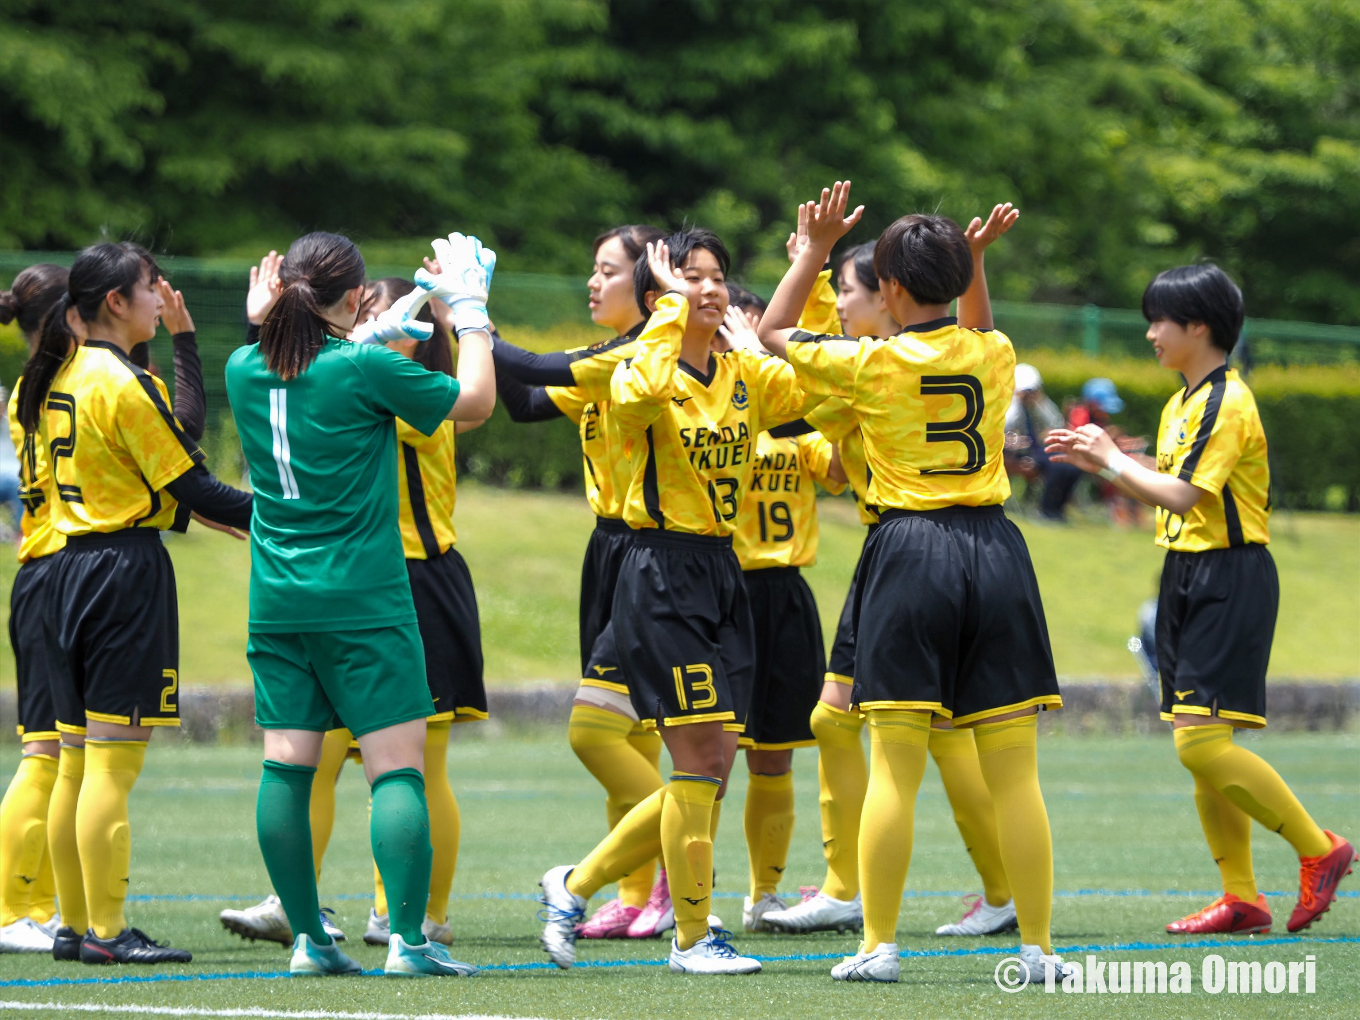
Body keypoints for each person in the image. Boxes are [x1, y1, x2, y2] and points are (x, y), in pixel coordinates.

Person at [758, 183, 1069, 984]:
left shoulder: (867, 363)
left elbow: (768, 335)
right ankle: (1037, 949)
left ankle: (879, 948)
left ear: (888, 290)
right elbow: (978, 323)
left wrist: (816, 252)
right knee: (1018, 774)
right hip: (998, 552)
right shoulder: (993, 354)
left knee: (894, 765)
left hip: (908, 550)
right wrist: (974, 264)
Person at [536, 230, 819, 976]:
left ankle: (576, 885)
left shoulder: (742, 374)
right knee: (693, 757)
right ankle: (691, 938)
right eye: (689, 278)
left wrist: (805, 260)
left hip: (723, 573)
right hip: (660, 570)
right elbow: (630, 403)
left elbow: (799, 391)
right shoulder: (644, 367)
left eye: (718, 277)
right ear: (662, 296)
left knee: (713, 764)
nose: (710, 289)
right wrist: (666, 311)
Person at [1045, 263, 1356, 936]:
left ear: (1200, 327)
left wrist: (1110, 459)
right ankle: (1242, 898)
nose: (1150, 333)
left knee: (1199, 746)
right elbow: (1169, 478)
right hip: (1185, 573)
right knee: (1200, 740)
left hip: (1229, 576)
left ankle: (1319, 847)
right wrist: (1105, 461)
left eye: (1160, 320)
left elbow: (1187, 496)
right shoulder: (1183, 399)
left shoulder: (1227, 402)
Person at [224, 230, 495, 978]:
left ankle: (310, 940)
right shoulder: (365, 367)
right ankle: (408, 942)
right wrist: (468, 310)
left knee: (287, 767)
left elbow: (289, 358)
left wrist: (277, 322)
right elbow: (475, 401)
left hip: (277, 597)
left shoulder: (243, 366)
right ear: (351, 298)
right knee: (397, 769)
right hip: (364, 597)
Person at [14, 243, 250, 965]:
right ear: (115, 301)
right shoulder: (123, 381)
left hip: (60, 572)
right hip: (120, 575)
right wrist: (293, 514)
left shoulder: (58, 371)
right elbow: (195, 489)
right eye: (151, 287)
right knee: (108, 769)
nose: (161, 298)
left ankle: (73, 928)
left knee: (75, 765)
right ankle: (108, 934)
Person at [493, 225, 678, 941]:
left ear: (647, 282)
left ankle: (671, 873)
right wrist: (474, 329)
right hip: (607, 549)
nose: (593, 282)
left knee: (620, 733)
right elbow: (525, 400)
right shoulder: (605, 358)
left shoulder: (639, 353)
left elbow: (530, 366)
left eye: (608, 270)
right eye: (592, 269)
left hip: (652, 550)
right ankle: (639, 894)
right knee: (621, 738)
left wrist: (473, 317)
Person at [715, 307, 848, 933]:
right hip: (718, 588)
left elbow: (843, 472)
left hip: (785, 594)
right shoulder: (706, 416)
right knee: (706, 756)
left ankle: (762, 894)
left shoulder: (793, 421)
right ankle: (685, 896)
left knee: (774, 755)